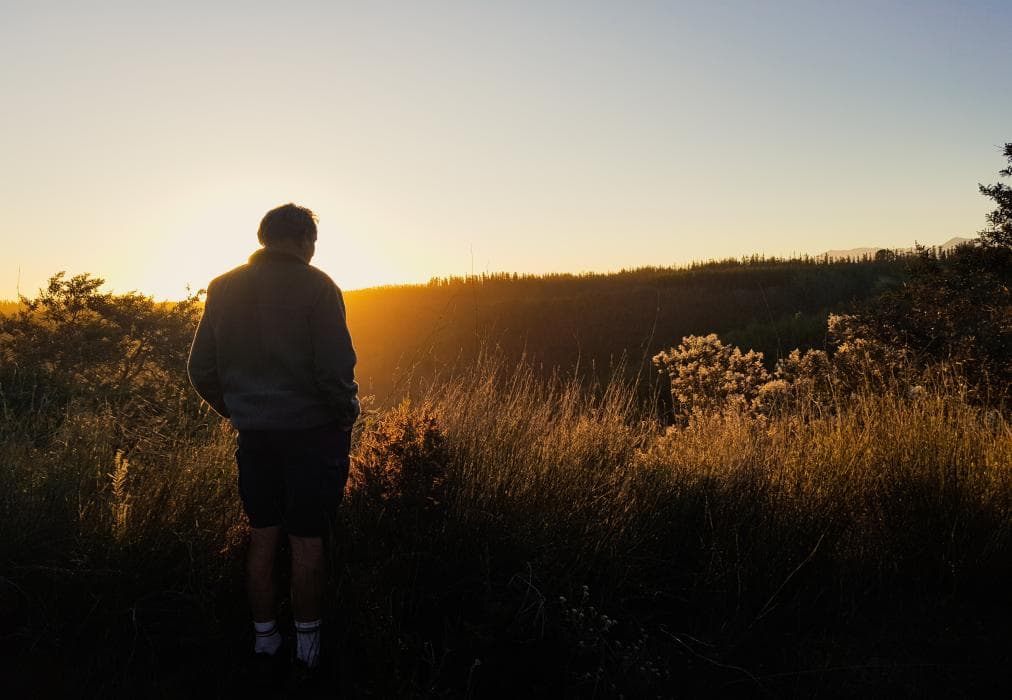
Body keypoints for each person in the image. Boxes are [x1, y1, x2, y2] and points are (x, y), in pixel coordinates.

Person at [187, 203, 359, 680]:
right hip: (312, 437)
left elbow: (200, 369)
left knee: (263, 533)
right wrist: (346, 415)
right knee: (307, 540)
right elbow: (335, 371)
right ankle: (308, 650)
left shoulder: (222, 287)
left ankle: (264, 640)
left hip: (255, 436)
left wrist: (239, 410)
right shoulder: (319, 287)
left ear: (264, 237)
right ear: (305, 241)